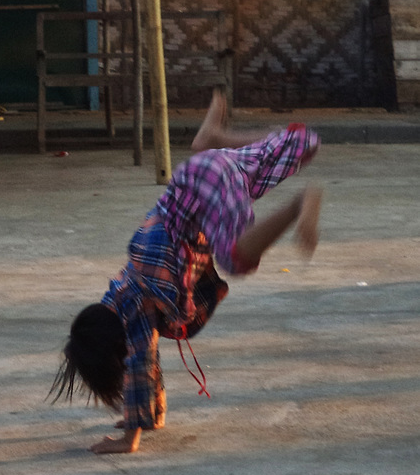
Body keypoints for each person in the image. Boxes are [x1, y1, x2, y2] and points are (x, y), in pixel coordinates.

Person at [49, 90, 322, 454]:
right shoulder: (115, 300)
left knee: (237, 257)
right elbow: (145, 358)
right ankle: (210, 140)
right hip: (200, 174)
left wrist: (130, 438)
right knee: (301, 145)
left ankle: (298, 205)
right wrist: (154, 414)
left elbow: (142, 362)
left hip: (204, 189)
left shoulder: (133, 307)